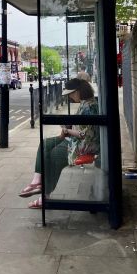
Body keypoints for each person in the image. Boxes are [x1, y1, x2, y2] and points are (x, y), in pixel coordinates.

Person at [19, 77, 99, 208]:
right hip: (76, 141)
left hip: (82, 146)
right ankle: (37, 182)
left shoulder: (89, 107)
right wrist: (67, 129)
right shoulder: (87, 103)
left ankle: (44, 196)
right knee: (45, 144)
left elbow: (84, 134)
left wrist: (67, 131)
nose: (70, 98)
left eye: (71, 94)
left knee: (53, 156)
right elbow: (81, 128)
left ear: (78, 91)